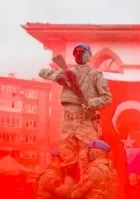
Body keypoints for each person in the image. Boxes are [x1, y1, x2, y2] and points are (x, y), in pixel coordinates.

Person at [38, 43, 112, 172]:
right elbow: (42, 72)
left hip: (86, 121)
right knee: (66, 158)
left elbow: (107, 98)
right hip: (68, 121)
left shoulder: (95, 75)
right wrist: (58, 77)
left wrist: (91, 102)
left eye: (82, 51)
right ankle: (69, 187)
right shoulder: (67, 73)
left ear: (89, 56)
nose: (78, 54)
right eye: (76, 51)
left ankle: (87, 187)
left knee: (88, 159)